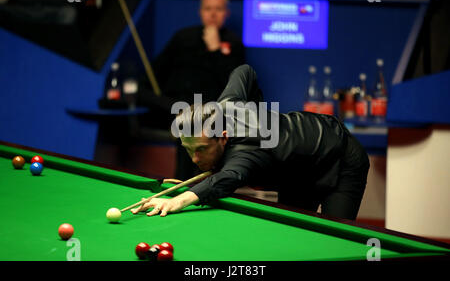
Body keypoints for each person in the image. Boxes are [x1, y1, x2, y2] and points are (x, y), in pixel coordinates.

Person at [132, 64, 370, 221]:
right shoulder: (227, 104)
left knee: (334, 239)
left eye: (202, 149)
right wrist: (256, 111)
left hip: (340, 158)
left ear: (223, 137)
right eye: (189, 150)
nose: (195, 159)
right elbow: (245, 71)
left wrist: (179, 199)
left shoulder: (245, 153)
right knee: (291, 231)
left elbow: (230, 177)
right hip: (296, 171)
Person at [137, 0, 245, 180]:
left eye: (218, 9)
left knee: (198, 126)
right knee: (189, 124)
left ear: (226, 14)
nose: (212, 14)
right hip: (177, 112)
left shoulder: (233, 44)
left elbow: (236, 90)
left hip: (215, 116)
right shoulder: (183, 38)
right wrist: (173, 108)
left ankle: (204, 186)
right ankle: (183, 186)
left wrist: (215, 50)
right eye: (208, 8)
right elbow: (144, 84)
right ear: (200, 12)